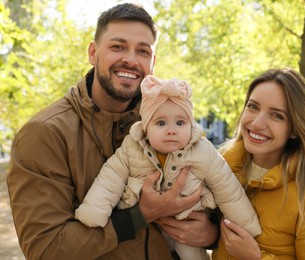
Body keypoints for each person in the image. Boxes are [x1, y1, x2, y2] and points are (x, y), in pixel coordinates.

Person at [7, 3, 218, 259]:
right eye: (117, 47)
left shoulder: (170, 120)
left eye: (142, 51)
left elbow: (217, 185)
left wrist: (213, 233)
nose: (130, 59)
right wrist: (140, 215)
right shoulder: (44, 135)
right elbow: (46, 249)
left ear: (152, 62)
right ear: (93, 53)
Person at [75, 75, 262, 260]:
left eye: (180, 123)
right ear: (146, 128)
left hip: (188, 221)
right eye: (161, 123)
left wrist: (246, 224)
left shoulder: (202, 151)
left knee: (192, 255)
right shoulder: (132, 147)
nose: (171, 130)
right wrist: (94, 211)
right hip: (145, 227)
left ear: (190, 125)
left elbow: (227, 188)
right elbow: (110, 178)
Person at [212, 68, 305, 259]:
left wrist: (256, 258)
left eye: (277, 115)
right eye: (253, 106)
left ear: (295, 128)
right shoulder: (220, 170)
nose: (257, 123)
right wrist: (210, 234)